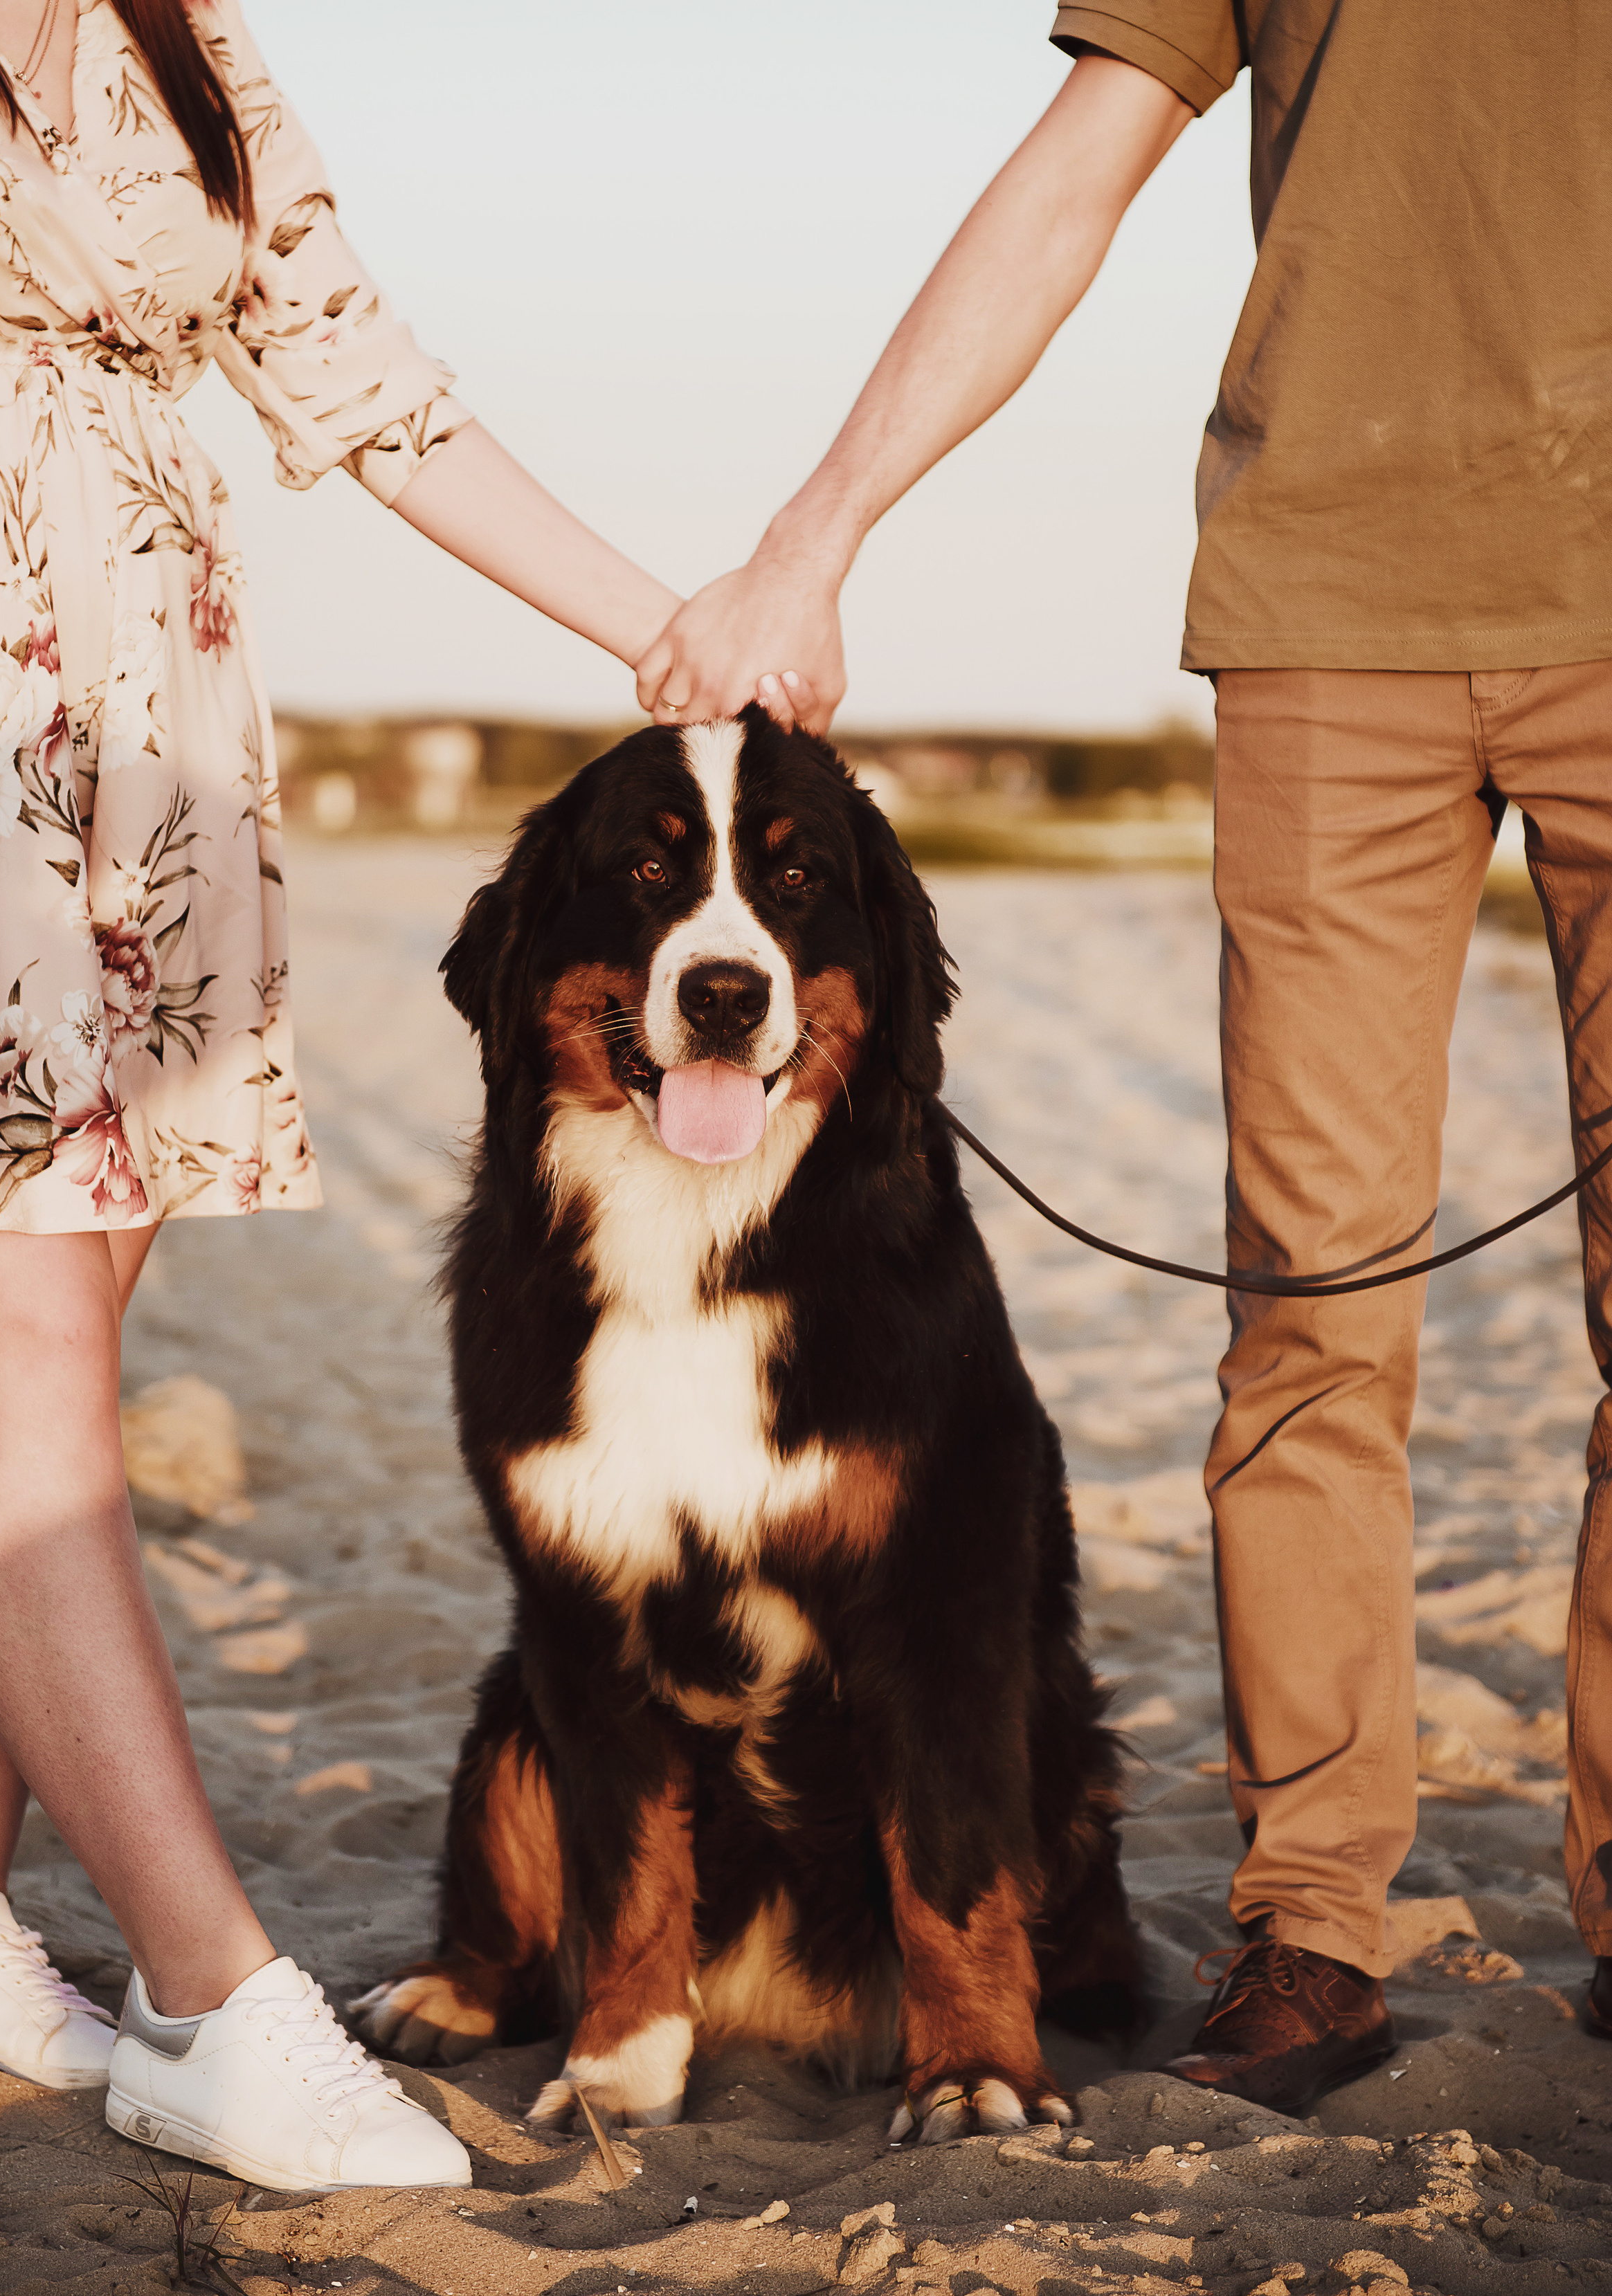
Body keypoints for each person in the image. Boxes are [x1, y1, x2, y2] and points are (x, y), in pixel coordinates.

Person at [637, 4, 1612, 2113]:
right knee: (1315, 1313)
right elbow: (1083, 159)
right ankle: (1316, 1928)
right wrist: (820, 529)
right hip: (1331, 607)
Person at [0, 0, 765, 2193]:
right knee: (31, 1364)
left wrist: (676, 635)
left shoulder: (185, 40)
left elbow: (368, 382)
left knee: (29, 1373)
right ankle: (213, 1997)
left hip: (147, 779)